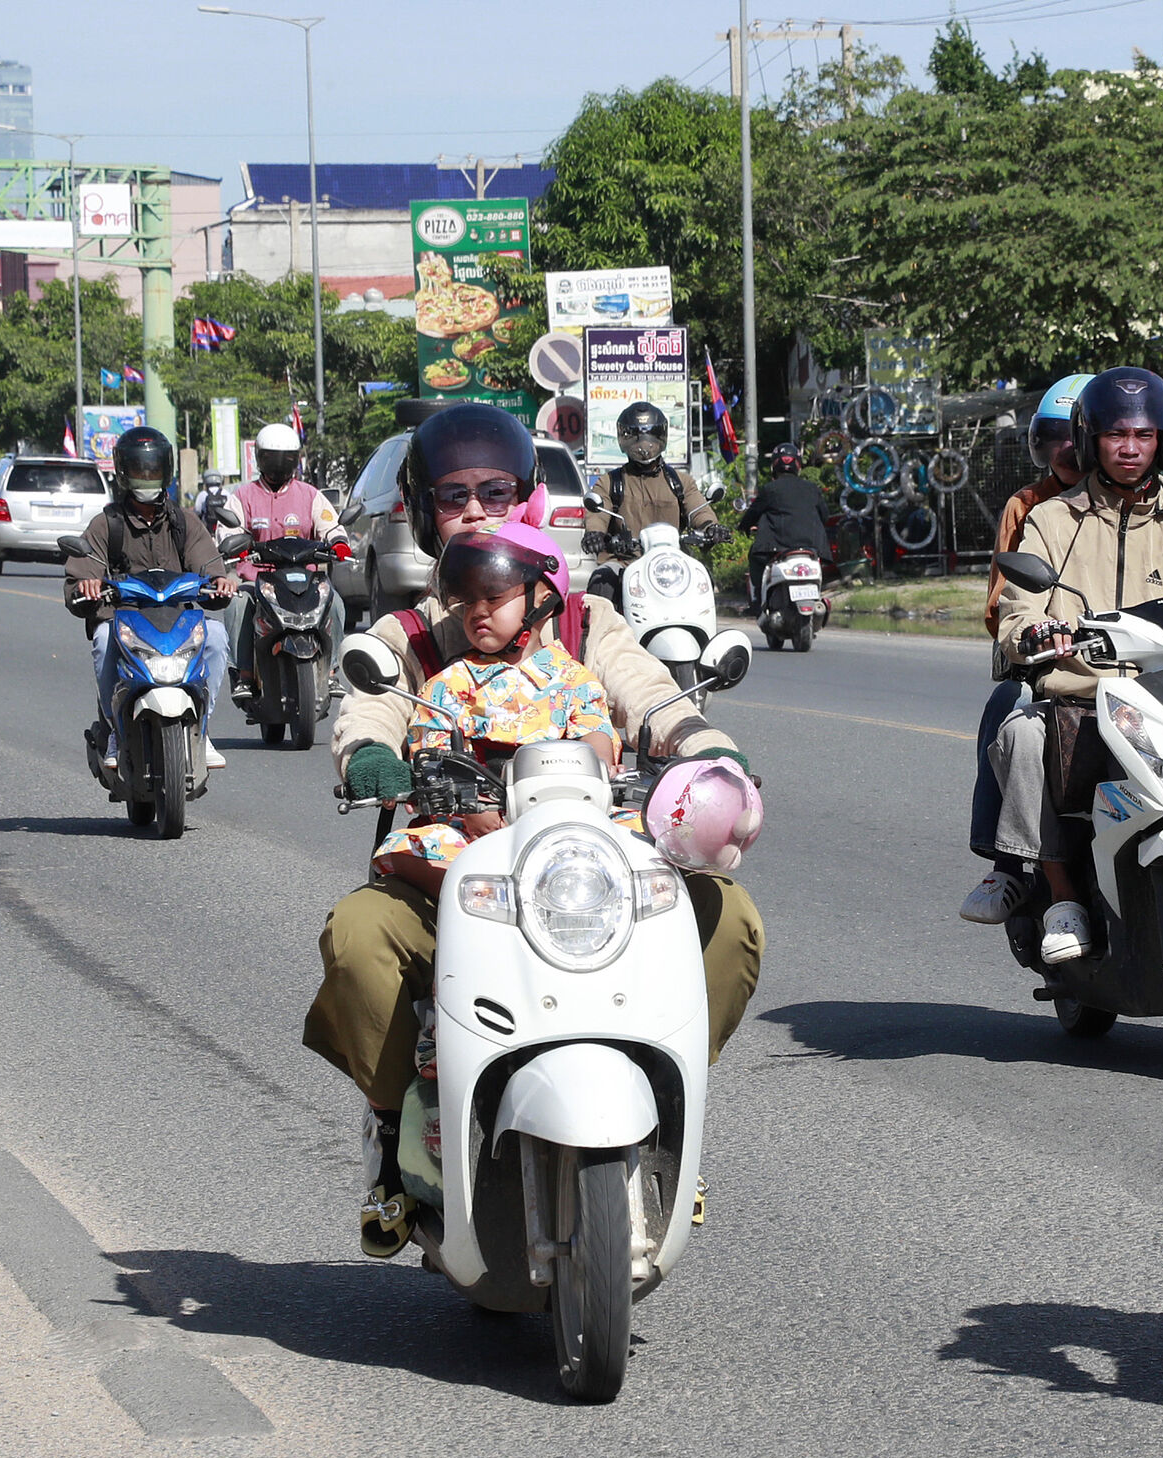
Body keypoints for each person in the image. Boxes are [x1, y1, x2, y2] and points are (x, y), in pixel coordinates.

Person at [304, 402, 764, 1246]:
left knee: (728, 920)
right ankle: (389, 1133)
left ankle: (671, 1123)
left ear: (528, 503)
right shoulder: (408, 635)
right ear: (420, 510)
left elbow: (654, 696)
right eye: (454, 495)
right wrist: (371, 758)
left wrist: (711, 755)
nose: (477, 510)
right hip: (457, 874)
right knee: (359, 936)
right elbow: (365, 713)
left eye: (496, 491)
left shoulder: (590, 621)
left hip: (588, 870)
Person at [989, 368, 1163, 964]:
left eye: (1144, 435)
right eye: (1115, 435)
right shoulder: (1051, 522)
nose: (1131, 448)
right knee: (1024, 735)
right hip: (1082, 702)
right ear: (1088, 439)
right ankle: (1060, 898)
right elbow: (1015, 614)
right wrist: (1034, 632)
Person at [960, 374, 1089, 928]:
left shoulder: (1152, 506)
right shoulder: (1029, 506)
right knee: (1007, 713)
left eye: (1076, 436)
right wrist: (1040, 630)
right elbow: (1001, 604)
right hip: (1046, 664)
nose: (1065, 451)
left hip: (1128, 667)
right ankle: (1008, 861)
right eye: (1054, 437)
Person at [61, 425, 237, 773]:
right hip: (124, 620)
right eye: (140, 472)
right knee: (101, 639)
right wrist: (87, 585)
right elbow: (80, 574)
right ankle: (115, 729)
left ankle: (202, 726)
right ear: (124, 473)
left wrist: (220, 580)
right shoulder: (105, 525)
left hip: (178, 621)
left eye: (153, 471)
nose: (147, 479)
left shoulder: (184, 522)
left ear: (166, 472)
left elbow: (208, 560)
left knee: (216, 636)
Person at [227, 421, 347, 695]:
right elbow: (228, 529)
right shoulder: (243, 496)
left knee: (336, 604)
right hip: (258, 580)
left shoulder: (310, 495)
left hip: (305, 580)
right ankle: (244, 674)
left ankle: (330, 672)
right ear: (260, 457)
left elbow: (331, 525)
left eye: (286, 458)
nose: (279, 464)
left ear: (296, 459)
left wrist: (338, 543)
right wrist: (235, 544)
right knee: (237, 605)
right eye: (272, 457)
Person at [580, 401, 726, 605]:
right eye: (635, 438)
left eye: (650, 437)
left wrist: (712, 527)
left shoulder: (680, 482)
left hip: (672, 565)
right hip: (625, 561)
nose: (643, 446)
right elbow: (598, 513)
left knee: (704, 580)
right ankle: (597, 636)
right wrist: (594, 533)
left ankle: (704, 636)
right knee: (601, 581)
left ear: (662, 438)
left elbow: (698, 509)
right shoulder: (611, 482)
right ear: (624, 440)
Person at [735, 442, 831, 607]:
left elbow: (752, 514)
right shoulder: (812, 489)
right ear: (798, 465)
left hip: (779, 546)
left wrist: (743, 528)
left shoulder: (770, 489)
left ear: (774, 465)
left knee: (755, 557)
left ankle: (758, 599)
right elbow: (825, 516)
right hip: (812, 547)